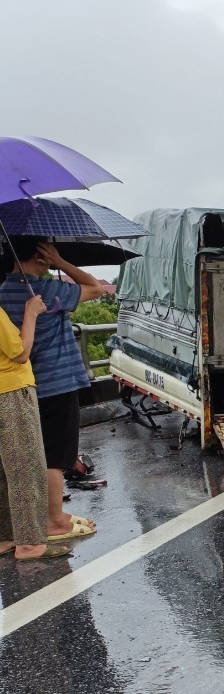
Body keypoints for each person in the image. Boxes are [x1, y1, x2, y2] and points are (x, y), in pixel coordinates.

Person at [0, 239, 103, 543]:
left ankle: (37, 518)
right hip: (58, 384)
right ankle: (54, 520)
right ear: (41, 256)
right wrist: (61, 262)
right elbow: (95, 287)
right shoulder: (46, 291)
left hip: (24, 387)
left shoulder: (3, 293)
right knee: (56, 456)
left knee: (31, 455)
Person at [0, 291, 68, 560]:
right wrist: (31, 312)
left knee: (4, 471)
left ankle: (6, 536)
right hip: (11, 392)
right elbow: (20, 353)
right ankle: (29, 544)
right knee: (26, 467)